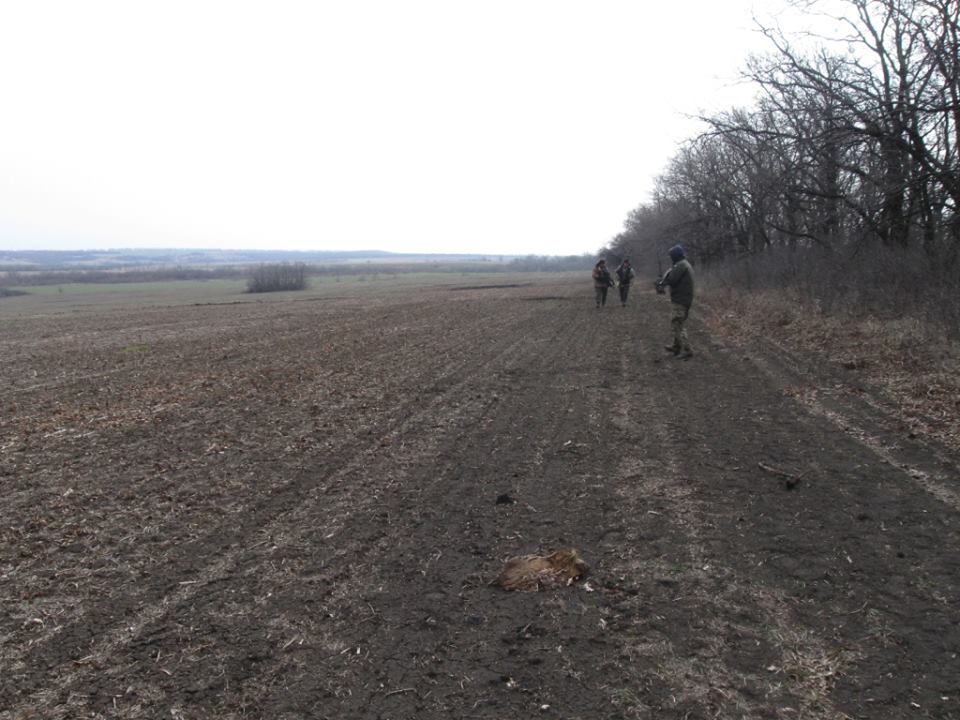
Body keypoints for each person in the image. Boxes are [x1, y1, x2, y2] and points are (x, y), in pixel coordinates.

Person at [656, 244, 695, 358]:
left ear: (676, 255)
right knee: (678, 322)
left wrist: (662, 282)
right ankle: (676, 346)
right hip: (684, 298)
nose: (671, 258)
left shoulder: (681, 265)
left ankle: (687, 350)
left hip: (681, 299)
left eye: (672, 256)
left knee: (677, 323)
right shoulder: (684, 264)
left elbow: (672, 279)